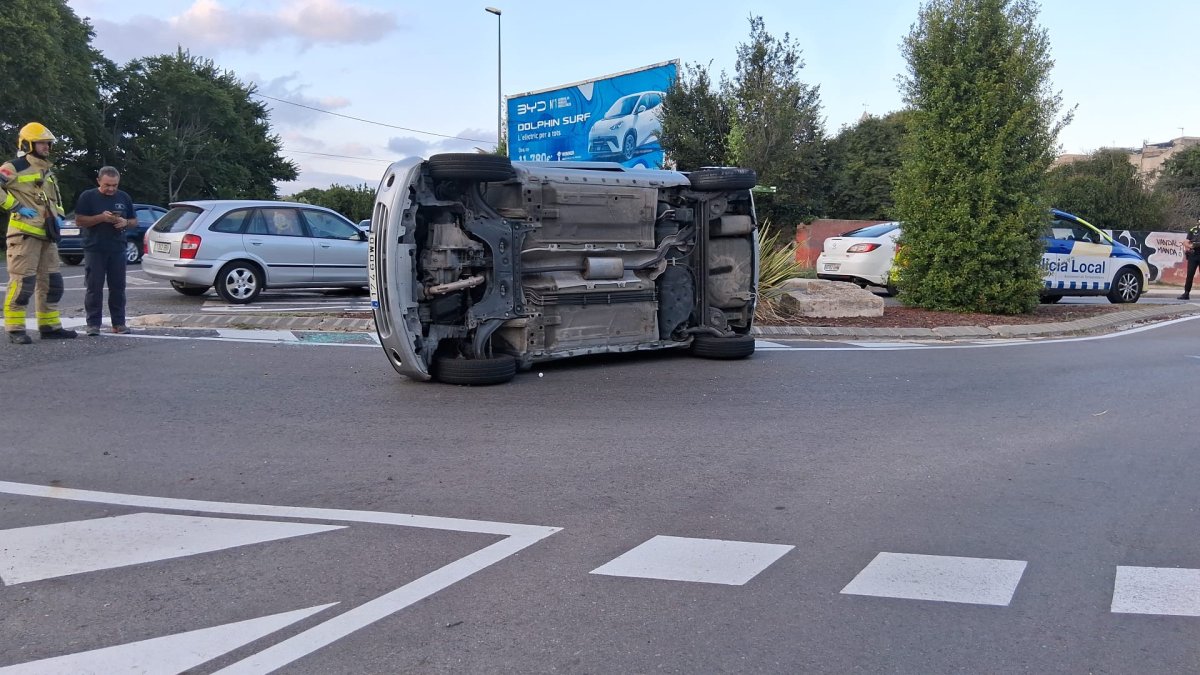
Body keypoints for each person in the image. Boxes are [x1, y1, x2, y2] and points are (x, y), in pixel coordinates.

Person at [0, 122, 76, 343]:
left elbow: (55, 199)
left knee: (52, 283)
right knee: (23, 283)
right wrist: (15, 206)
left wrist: (59, 215)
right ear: (28, 144)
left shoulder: (46, 170)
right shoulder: (14, 166)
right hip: (24, 235)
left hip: (47, 235)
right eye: (42, 143)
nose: (47, 147)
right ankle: (15, 329)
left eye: (48, 143)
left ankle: (49, 326)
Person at [73, 166, 136, 335]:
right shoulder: (88, 196)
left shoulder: (124, 197)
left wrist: (125, 222)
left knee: (118, 287)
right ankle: (93, 324)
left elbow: (134, 220)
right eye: (107, 185)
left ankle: (119, 323)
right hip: (95, 248)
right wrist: (102, 218)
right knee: (94, 287)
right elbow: (79, 220)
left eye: (115, 185)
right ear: (98, 181)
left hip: (118, 248)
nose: (111, 189)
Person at [1179, 217, 1200, 301]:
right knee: (1190, 275)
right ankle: (1186, 293)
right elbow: (1186, 241)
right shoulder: (1193, 230)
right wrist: (1191, 245)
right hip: (1193, 254)